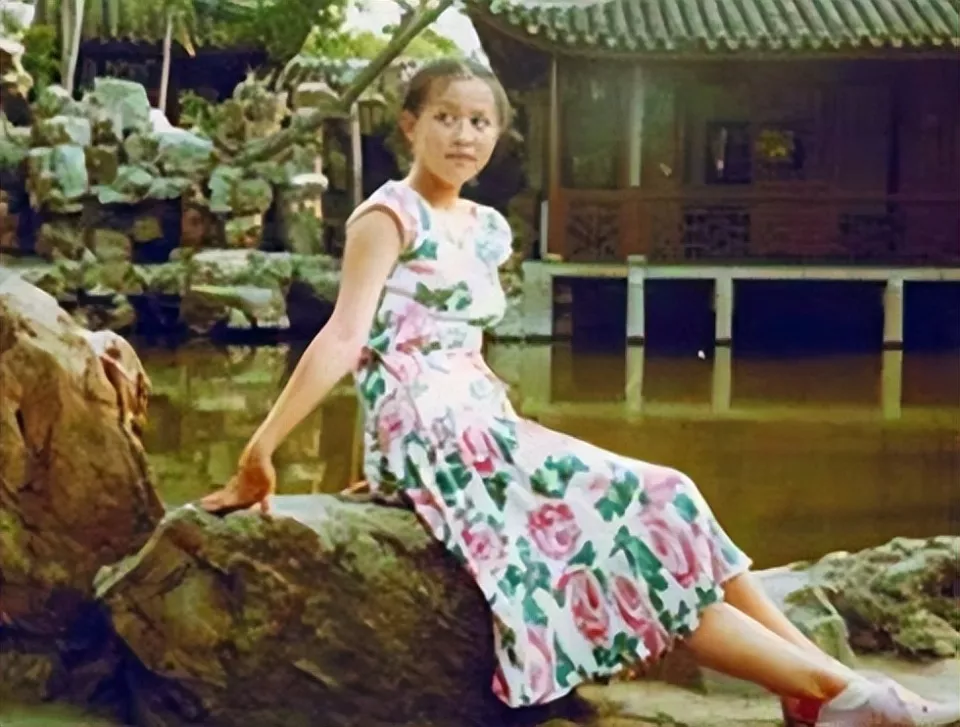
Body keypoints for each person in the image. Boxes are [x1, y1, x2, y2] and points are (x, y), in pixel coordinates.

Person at [200, 58, 959, 727]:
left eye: (480, 122)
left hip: (481, 418)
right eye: (446, 118)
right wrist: (261, 451)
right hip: (431, 429)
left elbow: (464, 345)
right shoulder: (387, 215)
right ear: (410, 125)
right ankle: (839, 692)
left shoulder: (486, 228)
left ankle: (826, 688)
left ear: (497, 133)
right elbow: (347, 337)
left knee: (670, 494)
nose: (463, 135)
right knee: (628, 549)